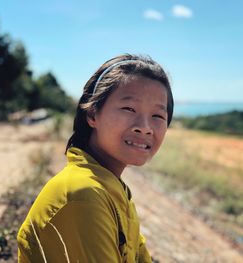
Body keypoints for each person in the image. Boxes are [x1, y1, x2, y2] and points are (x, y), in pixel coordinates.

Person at [17, 54, 174, 263]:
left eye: (158, 116)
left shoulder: (113, 190)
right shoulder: (83, 195)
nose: (145, 127)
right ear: (92, 115)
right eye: (129, 108)